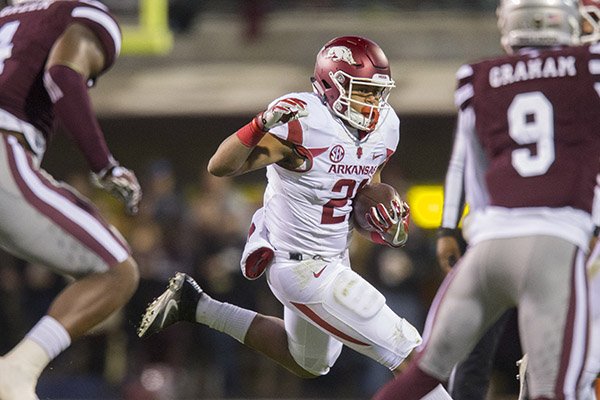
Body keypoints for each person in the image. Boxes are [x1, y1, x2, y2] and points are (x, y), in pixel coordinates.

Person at [138, 35, 424, 389]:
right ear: (331, 83)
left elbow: (359, 200)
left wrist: (387, 226)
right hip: (301, 266)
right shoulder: (305, 121)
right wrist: (259, 124)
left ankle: (195, 305)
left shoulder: (385, 128)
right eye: (362, 89)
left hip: (335, 257)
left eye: (376, 91)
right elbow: (219, 167)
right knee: (410, 354)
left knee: (308, 362)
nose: (372, 101)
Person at [372, 0, 600, 399]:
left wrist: (462, 227)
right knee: (562, 382)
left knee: (424, 373)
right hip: (559, 241)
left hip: (492, 238)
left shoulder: (478, 75)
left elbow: (470, 166)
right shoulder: (589, 69)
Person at [0, 1, 142, 399]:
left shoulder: (6, 18)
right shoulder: (81, 12)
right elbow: (62, 72)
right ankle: (16, 371)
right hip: (5, 140)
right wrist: (104, 165)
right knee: (116, 270)